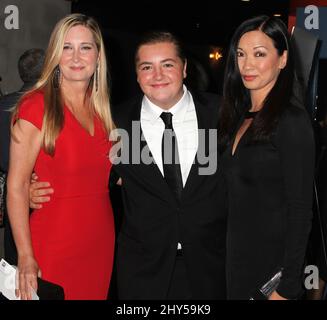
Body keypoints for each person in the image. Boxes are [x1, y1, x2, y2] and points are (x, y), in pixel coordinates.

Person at [30, 31, 227, 300]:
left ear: (184, 69)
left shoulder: (223, 115)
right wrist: (35, 185)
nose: (157, 75)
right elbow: (85, 169)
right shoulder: (115, 121)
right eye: (147, 67)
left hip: (210, 268)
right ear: (137, 75)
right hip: (142, 271)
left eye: (167, 64)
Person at [6, 13, 116, 300]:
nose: (76, 57)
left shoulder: (104, 112)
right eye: (67, 47)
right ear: (56, 54)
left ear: (98, 55)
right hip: (53, 242)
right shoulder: (35, 106)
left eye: (86, 47)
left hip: (101, 242)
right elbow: (16, 186)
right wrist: (26, 255)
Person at [218, 15, 315, 300]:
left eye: (259, 54)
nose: (247, 65)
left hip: (272, 273)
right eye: (241, 54)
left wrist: (287, 285)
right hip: (236, 261)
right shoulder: (235, 118)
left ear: (283, 59)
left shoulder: (291, 121)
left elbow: (300, 210)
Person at [0, 48, 45, 265]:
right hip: (42, 191)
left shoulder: (4, 103)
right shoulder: (47, 107)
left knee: (13, 260)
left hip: (10, 189)